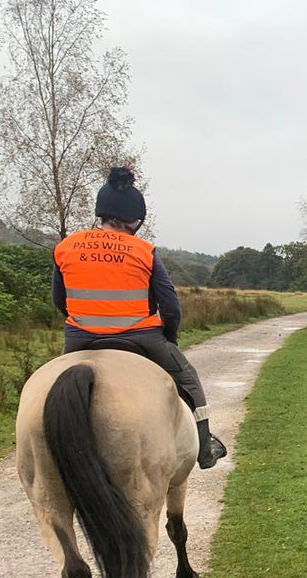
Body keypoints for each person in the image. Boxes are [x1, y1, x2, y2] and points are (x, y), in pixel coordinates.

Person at [52, 167, 226, 469]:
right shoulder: (144, 250)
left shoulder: (66, 247)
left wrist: (84, 321)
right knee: (188, 377)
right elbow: (170, 306)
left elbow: (59, 300)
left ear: (102, 214)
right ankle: (205, 448)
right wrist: (169, 337)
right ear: (133, 219)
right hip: (140, 338)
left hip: (79, 338)